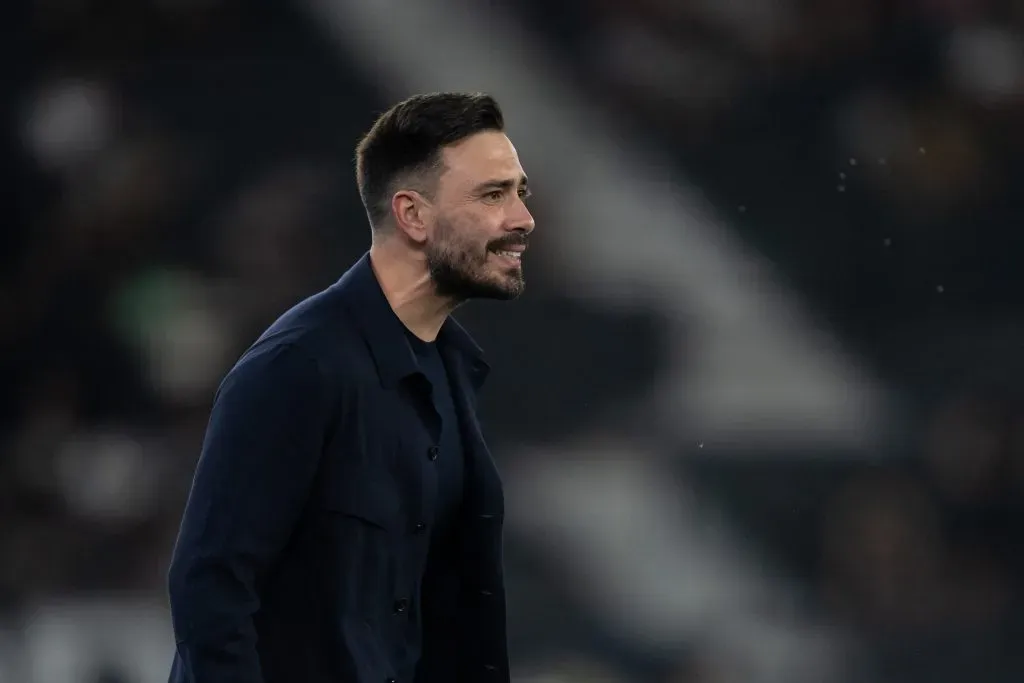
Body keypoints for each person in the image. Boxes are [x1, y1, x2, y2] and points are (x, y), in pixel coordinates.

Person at [167, 92, 534, 683]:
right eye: (494, 195)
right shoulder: (298, 367)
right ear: (412, 215)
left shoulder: (454, 371)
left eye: (520, 193)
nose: (522, 219)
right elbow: (210, 589)